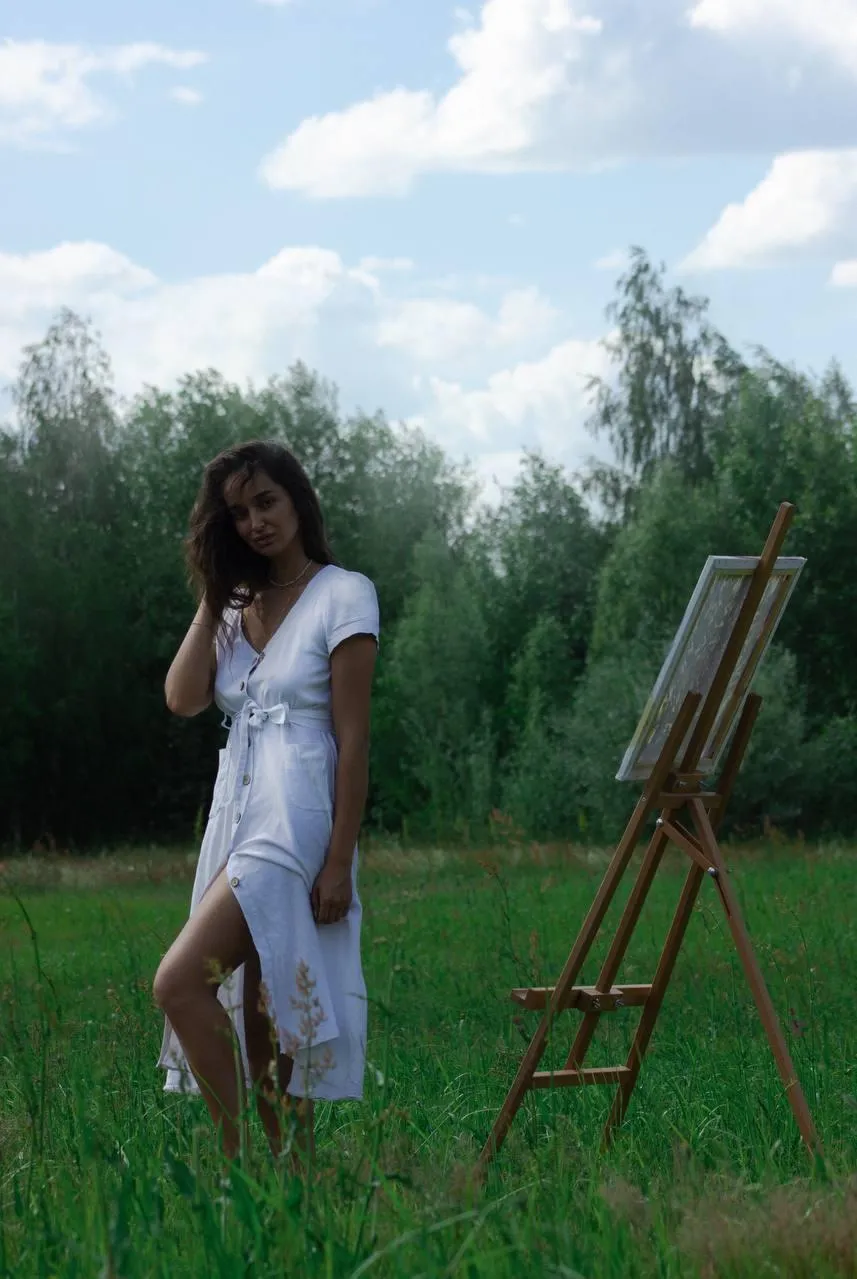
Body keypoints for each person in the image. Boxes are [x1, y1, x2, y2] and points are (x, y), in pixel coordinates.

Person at [153, 439, 380, 1166]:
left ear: (297, 501)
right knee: (265, 1017)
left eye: (267, 502)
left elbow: (352, 739)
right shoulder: (236, 606)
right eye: (239, 513)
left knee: (181, 982)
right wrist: (214, 592)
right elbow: (183, 698)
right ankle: (292, 1190)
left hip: (296, 815)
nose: (255, 521)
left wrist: (339, 859)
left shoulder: (344, 593)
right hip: (238, 811)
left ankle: (240, 1157)